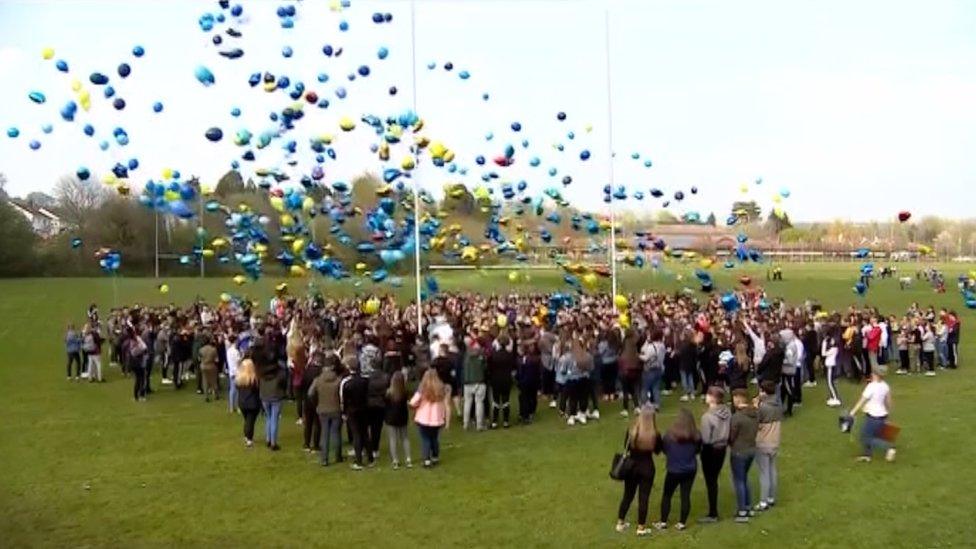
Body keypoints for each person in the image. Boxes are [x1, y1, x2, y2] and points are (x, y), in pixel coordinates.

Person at [615, 405, 661, 537]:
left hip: (632, 467)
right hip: (647, 468)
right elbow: (658, 451)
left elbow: (626, 447)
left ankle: (620, 522)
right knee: (644, 498)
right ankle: (641, 527)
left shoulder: (632, 432)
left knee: (628, 495)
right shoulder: (655, 435)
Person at [655, 408, 701, 531]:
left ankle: (663, 522)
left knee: (667, 495)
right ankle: (682, 523)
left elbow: (664, 450)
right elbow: (698, 450)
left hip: (674, 470)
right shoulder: (696, 436)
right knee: (685, 495)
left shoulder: (669, 436)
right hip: (690, 469)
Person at [849, 367, 897, 463]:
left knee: (866, 437)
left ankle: (889, 448)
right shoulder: (885, 386)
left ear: (876, 375)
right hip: (882, 415)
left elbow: (862, 400)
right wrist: (888, 413)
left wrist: (852, 412)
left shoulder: (871, 386)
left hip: (873, 416)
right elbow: (888, 402)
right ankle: (867, 455)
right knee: (874, 434)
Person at [699, 386, 730, 522]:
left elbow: (705, 439)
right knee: (714, 479)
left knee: (710, 481)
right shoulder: (727, 412)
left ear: (712, 398)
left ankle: (713, 512)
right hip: (722, 447)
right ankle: (713, 511)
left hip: (710, 449)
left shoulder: (707, 417)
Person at [729, 388, 759, 523]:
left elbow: (731, 436)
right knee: (745, 478)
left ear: (739, 399)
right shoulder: (754, 414)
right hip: (751, 449)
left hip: (739, 451)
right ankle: (748, 506)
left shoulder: (737, 417)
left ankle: (742, 511)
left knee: (739, 481)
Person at [309, 357, 343, 466]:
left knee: (324, 433)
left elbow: (310, 393)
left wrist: (316, 401)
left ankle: (324, 459)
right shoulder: (338, 380)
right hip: (336, 409)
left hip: (322, 409)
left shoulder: (318, 380)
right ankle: (338, 456)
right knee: (336, 433)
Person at [410, 368, 447, 468]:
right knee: (434, 438)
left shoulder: (422, 389)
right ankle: (435, 456)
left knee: (425, 439)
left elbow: (413, 402)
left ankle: (426, 459)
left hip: (424, 418)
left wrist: (414, 404)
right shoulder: (441, 388)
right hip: (437, 418)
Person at [755, 380, 783, 512]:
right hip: (775, 441)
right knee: (772, 470)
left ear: (764, 392)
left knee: (764, 473)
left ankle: (763, 501)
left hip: (763, 443)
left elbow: (756, 424)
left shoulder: (762, 408)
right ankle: (771, 497)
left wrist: (755, 406)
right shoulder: (778, 405)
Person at [340, 364, 370, 469]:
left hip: (352, 411)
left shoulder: (347, 384)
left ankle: (359, 460)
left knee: (356, 434)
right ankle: (370, 458)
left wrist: (344, 412)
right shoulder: (365, 381)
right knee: (365, 433)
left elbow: (344, 400)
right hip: (364, 409)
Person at [258, 354, 287, 451]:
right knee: (274, 419)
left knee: (268, 418)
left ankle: (268, 439)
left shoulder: (261, 371)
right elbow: (284, 381)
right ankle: (273, 443)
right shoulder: (280, 371)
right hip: (276, 396)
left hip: (264, 396)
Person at [488, 334, 516, 429]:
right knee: (506, 400)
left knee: (495, 401)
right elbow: (513, 367)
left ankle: (495, 422)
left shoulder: (494, 355)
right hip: (506, 380)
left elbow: (489, 368)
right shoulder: (510, 355)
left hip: (495, 379)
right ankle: (506, 421)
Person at [385, 370, 412, 469]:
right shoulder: (405, 392)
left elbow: (386, 405)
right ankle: (408, 459)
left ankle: (395, 460)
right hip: (402, 417)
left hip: (391, 417)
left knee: (393, 439)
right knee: (405, 438)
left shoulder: (388, 393)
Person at [365, 363, 390, 462]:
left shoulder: (368, 378)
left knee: (367, 428)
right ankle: (375, 448)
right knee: (377, 429)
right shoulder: (386, 378)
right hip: (381, 405)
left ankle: (366, 447)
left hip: (369, 405)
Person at [461, 336, 488, 430]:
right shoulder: (480, 357)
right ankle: (479, 425)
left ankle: (465, 424)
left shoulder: (466, 357)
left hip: (467, 382)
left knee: (467, 403)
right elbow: (485, 367)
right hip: (479, 381)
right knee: (479, 403)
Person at [235, 358, 261, 448]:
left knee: (247, 421)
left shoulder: (239, 379)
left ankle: (247, 436)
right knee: (250, 421)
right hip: (253, 403)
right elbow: (258, 391)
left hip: (242, 403)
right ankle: (249, 439)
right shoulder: (254, 379)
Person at [639, 330, 666, 409]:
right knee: (655, 387)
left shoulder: (652, 347)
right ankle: (657, 404)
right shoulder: (662, 345)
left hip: (650, 369)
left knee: (645, 387)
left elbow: (645, 356)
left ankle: (645, 403)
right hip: (659, 368)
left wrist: (638, 356)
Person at [517, 341, 542, 423]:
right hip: (528, 381)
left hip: (529, 381)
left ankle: (526, 414)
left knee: (528, 398)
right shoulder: (526, 359)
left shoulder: (531, 359)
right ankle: (526, 414)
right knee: (526, 398)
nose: (532, 348)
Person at [821, 329, 841, 407]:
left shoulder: (833, 349)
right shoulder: (833, 348)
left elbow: (823, 353)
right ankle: (833, 397)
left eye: (833, 340)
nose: (831, 341)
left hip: (830, 366)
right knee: (830, 382)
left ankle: (835, 398)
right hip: (830, 365)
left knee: (830, 383)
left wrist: (824, 343)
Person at [198, 334, 220, 402]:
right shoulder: (213, 349)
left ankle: (206, 396)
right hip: (211, 366)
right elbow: (217, 360)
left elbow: (199, 359)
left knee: (205, 381)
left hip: (203, 366)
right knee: (213, 381)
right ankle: (216, 395)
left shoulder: (201, 350)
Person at [225, 333, 242, 412]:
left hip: (231, 371)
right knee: (238, 390)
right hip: (237, 371)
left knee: (232, 390)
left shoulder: (228, 351)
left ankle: (231, 407)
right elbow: (238, 362)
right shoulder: (236, 351)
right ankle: (238, 406)